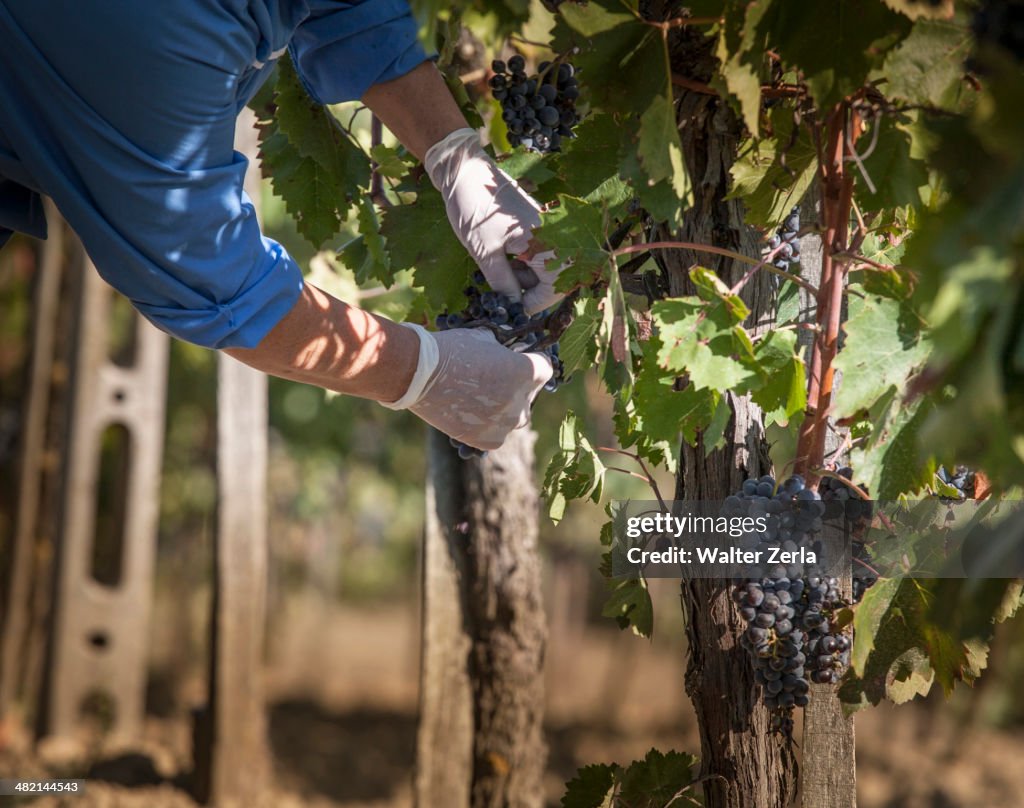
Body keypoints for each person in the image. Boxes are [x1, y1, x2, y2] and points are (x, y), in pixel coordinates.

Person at [0, 0, 563, 451]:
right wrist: (420, 371)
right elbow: (216, 283)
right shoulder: (157, 36)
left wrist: (453, 153)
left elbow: (353, 10)